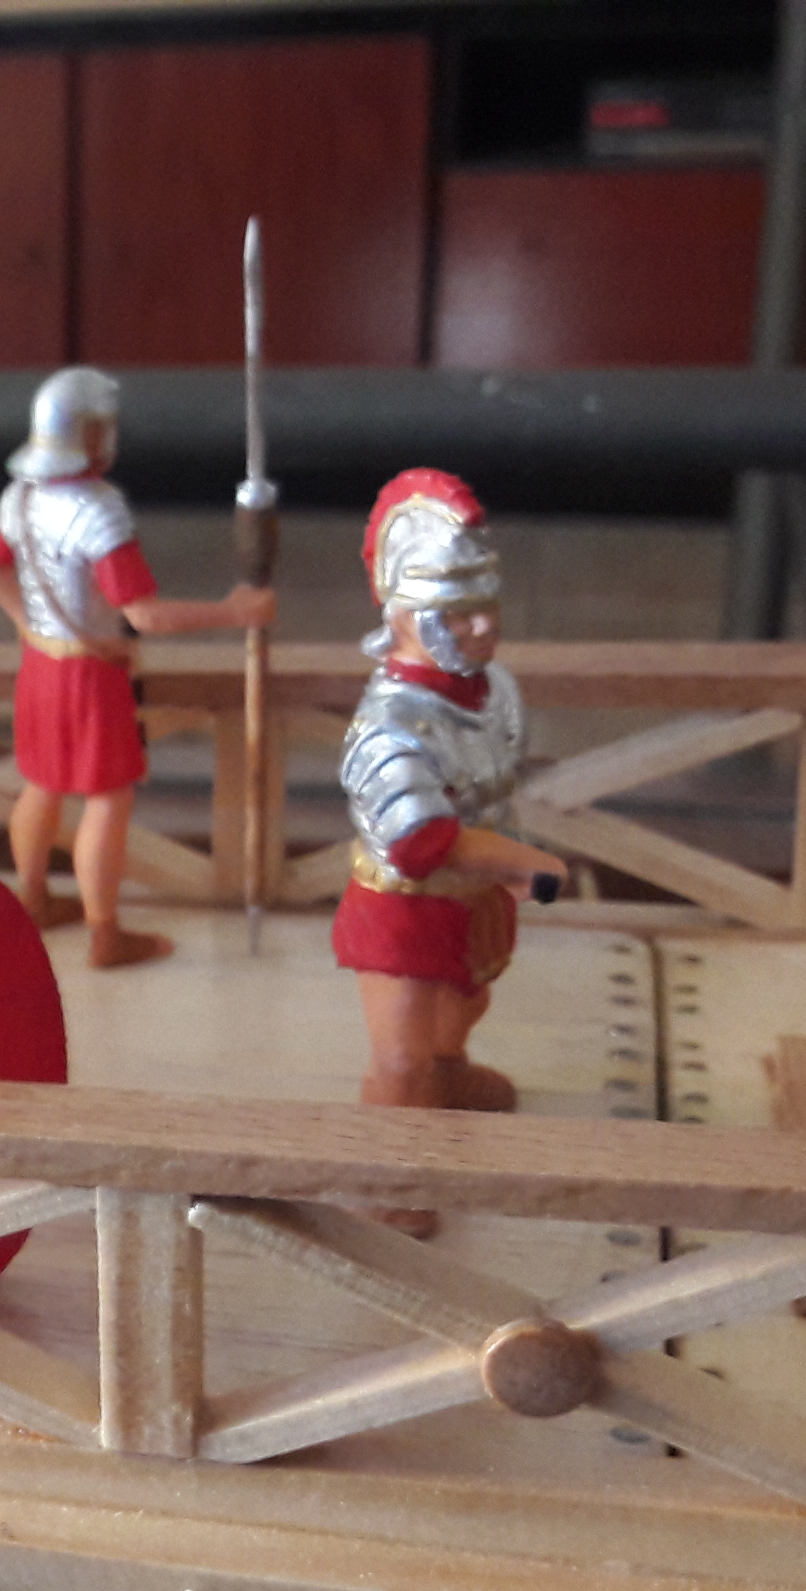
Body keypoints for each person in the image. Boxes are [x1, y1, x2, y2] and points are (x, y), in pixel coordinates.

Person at [0, 366, 273, 968]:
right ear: (87, 433)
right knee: (107, 801)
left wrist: (23, 619)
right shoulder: (98, 512)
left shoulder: (19, 496)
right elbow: (145, 615)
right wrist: (233, 612)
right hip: (90, 677)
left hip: (40, 665)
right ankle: (105, 934)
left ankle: (33, 897)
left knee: (42, 785)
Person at [334, 470, 566, 1196]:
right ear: (405, 616)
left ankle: (450, 1077)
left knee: (464, 1007)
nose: (483, 627)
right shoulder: (389, 727)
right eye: (459, 614)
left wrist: (505, 866)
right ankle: (391, 1182)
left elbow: (493, 790)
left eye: (487, 607)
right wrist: (520, 861)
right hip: (402, 910)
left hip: (473, 898)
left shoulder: (495, 691)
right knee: (401, 1057)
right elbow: (419, 843)